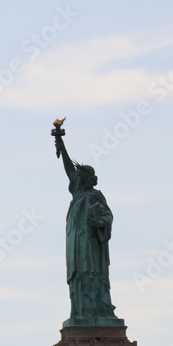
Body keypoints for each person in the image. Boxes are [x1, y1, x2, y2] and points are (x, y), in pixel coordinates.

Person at [55, 135, 121, 324]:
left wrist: (98, 223)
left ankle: (97, 310)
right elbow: (69, 169)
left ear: (88, 179)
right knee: (77, 275)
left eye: (81, 177)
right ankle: (80, 312)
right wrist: (61, 143)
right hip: (75, 243)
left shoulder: (95, 197)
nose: (77, 179)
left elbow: (108, 217)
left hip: (91, 245)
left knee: (90, 273)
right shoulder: (78, 193)